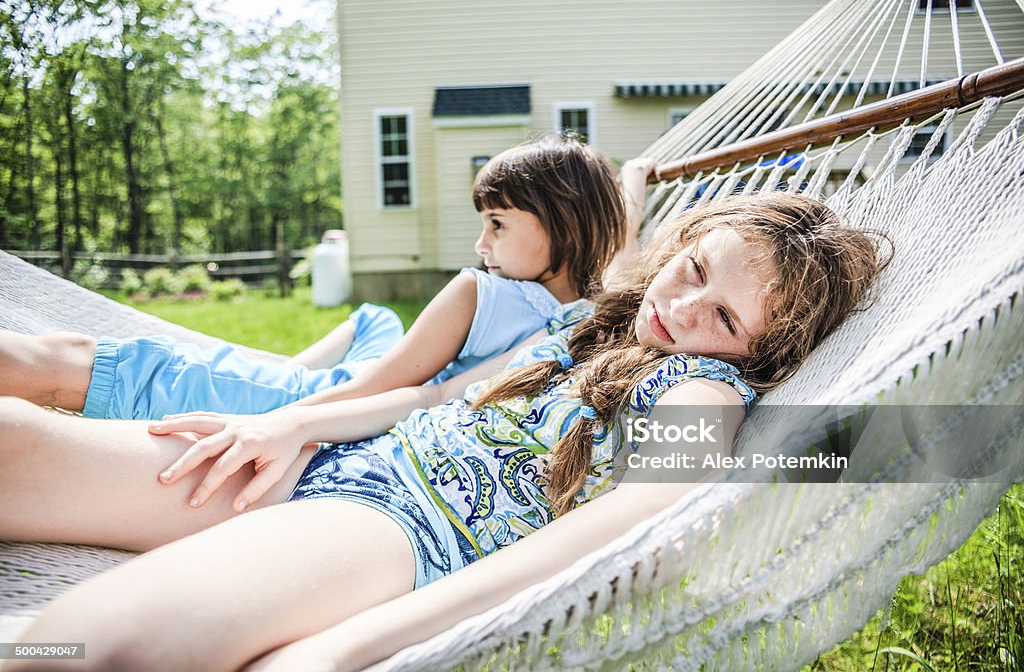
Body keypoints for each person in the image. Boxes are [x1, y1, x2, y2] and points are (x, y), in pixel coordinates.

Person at [1, 193, 885, 672]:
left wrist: (355, 642)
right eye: (691, 269)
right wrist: (287, 422)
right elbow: (436, 394)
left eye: (722, 316)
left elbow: (621, 526)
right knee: (13, 440)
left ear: (757, 351)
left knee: (85, 643)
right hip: (333, 460)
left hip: (394, 529)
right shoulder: (597, 321)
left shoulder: (703, 391)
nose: (681, 308)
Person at [0, 135, 635, 420]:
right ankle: (275, 366)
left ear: (567, 227)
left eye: (497, 223)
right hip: (355, 394)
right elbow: (624, 240)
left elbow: (372, 391)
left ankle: (270, 375)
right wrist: (630, 185)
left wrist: (278, 418)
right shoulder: (590, 311)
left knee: (79, 360)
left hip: (314, 405)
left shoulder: (480, 292)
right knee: (376, 319)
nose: (480, 243)